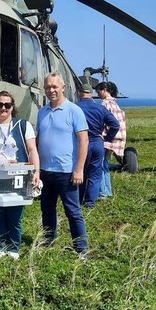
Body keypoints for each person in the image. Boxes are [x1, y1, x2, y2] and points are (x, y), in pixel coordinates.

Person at [0, 90, 40, 259]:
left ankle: (14, 247)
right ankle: (0, 245)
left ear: (12, 107)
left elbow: (32, 149)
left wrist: (36, 172)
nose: (3, 108)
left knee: (15, 215)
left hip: (17, 177)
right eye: (0, 104)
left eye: (7, 105)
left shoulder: (23, 125)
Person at [36, 72, 89, 257]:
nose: (51, 90)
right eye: (48, 87)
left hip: (66, 172)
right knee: (47, 209)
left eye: (54, 87)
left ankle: (81, 249)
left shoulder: (74, 111)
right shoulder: (42, 112)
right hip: (45, 171)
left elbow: (84, 141)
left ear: (63, 87)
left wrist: (79, 169)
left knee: (73, 212)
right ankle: (48, 241)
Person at [76, 84, 119, 208]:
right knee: (95, 174)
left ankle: (79, 200)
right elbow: (115, 125)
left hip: (81, 143)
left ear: (79, 93)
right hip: (97, 143)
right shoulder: (100, 108)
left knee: (81, 171)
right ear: (91, 93)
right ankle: (90, 203)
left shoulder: (75, 108)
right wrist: (107, 138)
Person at [95, 81, 126, 199]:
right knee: (105, 165)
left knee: (100, 166)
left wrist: (105, 137)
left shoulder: (105, 104)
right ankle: (107, 191)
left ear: (104, 90)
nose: (98, 94)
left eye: (99, 92)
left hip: (107, 139)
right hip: (116, 140)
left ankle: (102, 192)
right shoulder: (115, 104)